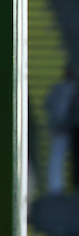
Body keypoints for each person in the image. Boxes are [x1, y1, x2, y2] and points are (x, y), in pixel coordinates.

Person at [45, 65, 77, 194]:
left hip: (72, 128)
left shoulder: (72, 89)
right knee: (56, 158)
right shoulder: (59, 89)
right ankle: (55, 188)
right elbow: (48, 105)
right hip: (60, 128)